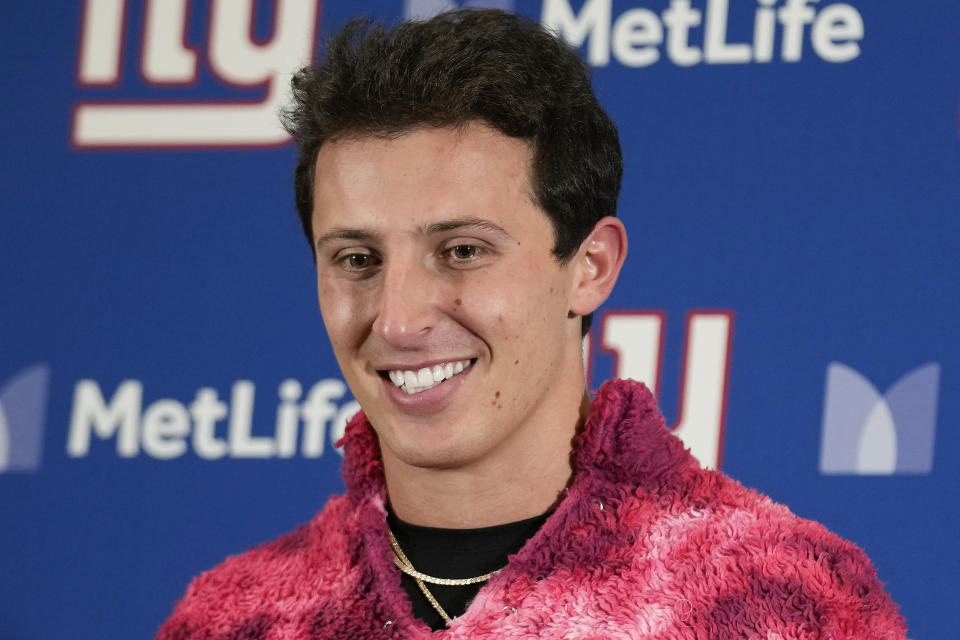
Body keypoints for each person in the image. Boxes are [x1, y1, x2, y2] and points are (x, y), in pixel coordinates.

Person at [157, 9, 907, 639]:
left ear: (590, 265)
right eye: (357, 259)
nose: (401, 317)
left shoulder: (790, 605)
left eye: (461, 251)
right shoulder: (232, 617)